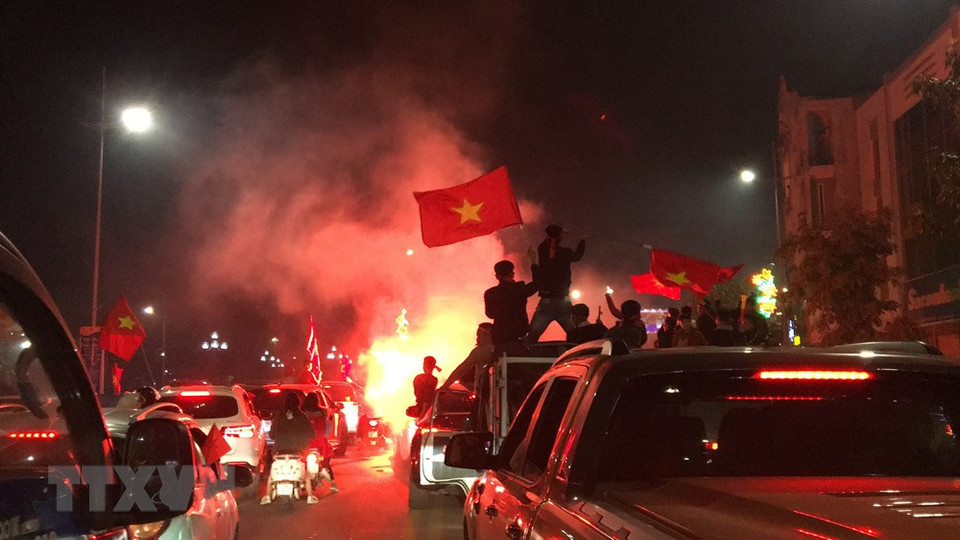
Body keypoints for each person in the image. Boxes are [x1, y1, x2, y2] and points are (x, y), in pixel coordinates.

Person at [528, 224, 586, 343]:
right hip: (563, 300)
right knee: (574, 335)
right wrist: (582, 241)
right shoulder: (565, 253)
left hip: (547, 300)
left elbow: (550, 245)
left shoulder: (542, 249)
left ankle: (525, 357)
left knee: (533, 335)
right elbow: (577, 256)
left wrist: (557, 233)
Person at [264, 392, 318, 504]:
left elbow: (271, 435)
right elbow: (312, 434)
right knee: (306, 474)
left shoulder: (279, 416)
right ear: (299, 403)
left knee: (271, 475)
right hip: (299, 452)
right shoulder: (303, 417)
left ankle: (267, 496)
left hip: (279, 451)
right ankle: (310, 496)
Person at [484, 260, 540, 355]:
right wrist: (533, 261)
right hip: (518, 336)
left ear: (497, 276)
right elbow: (537, 283)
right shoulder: (519, 289)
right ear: (512, 274)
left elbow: (490, 314)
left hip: (499, 336)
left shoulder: (490, 293)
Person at [303, 392, 338, 493]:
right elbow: (327, 430)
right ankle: (333, 484)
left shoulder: (302, 414)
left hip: (305, 444)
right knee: (326, 466)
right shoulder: (323, 413)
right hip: (321, 444)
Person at [443, 323, 495, 391]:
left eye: (479, 335)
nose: (477, 338)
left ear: (487, 335)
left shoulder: (479, 352)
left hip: (482, 393)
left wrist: (445, 385)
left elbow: (461, 369)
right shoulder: (498, 349)